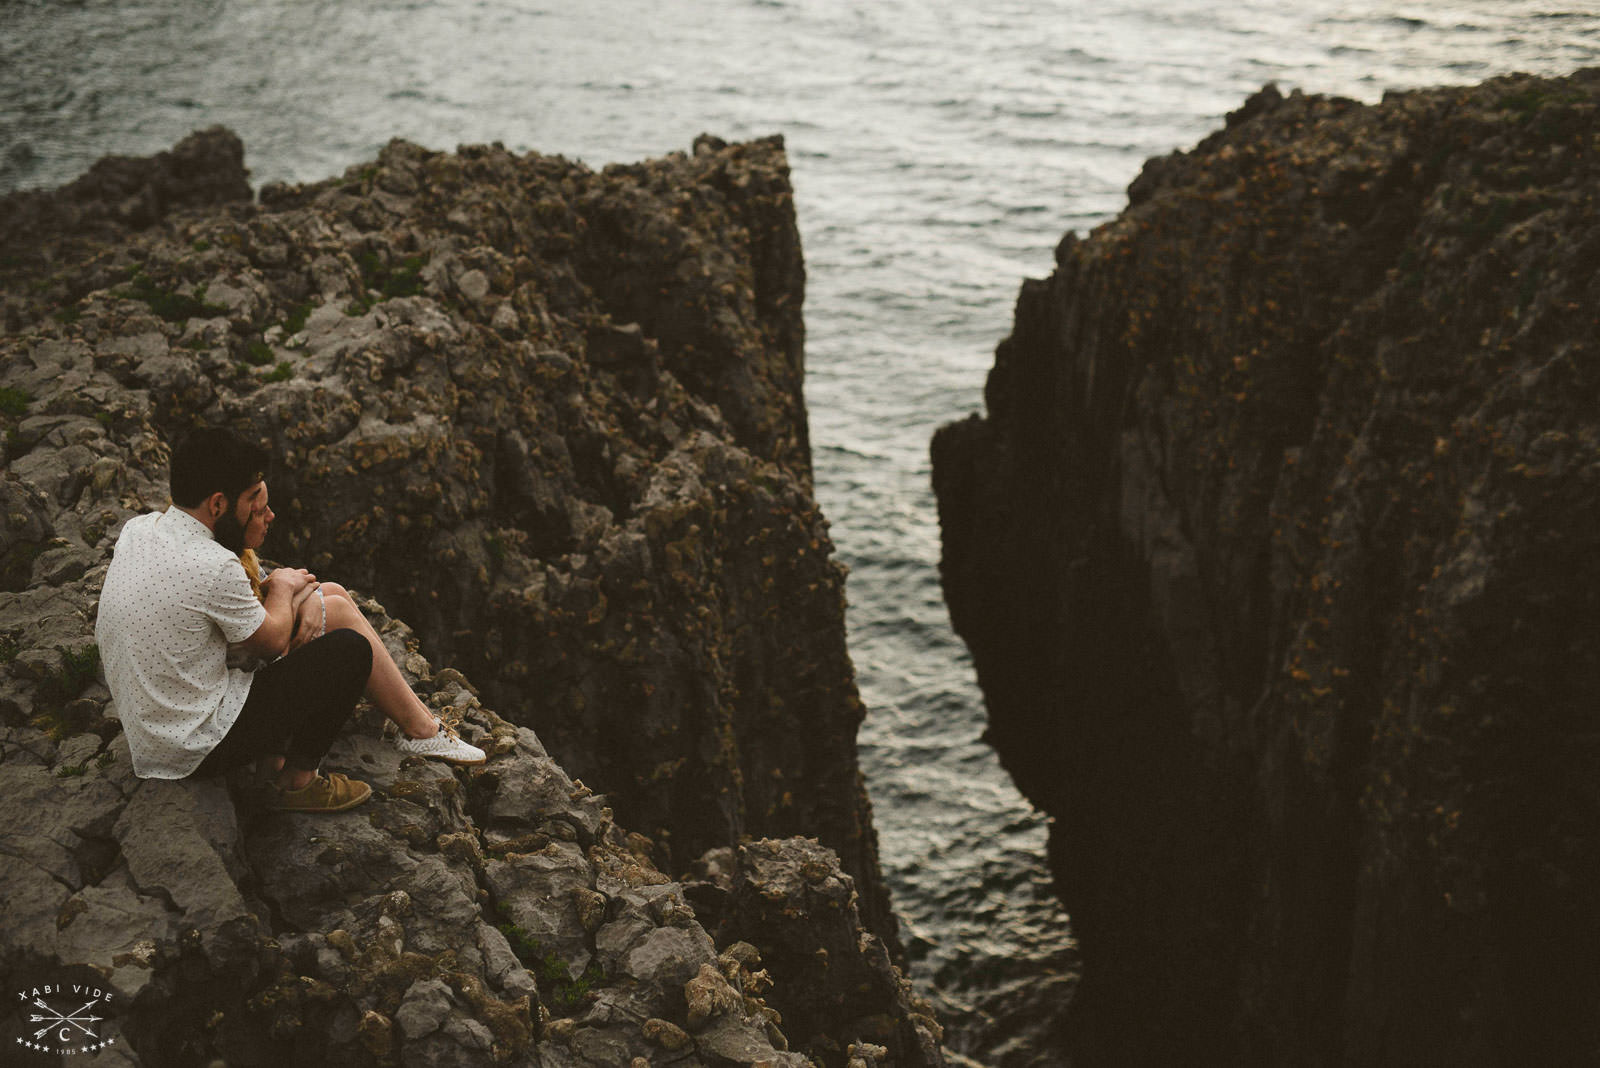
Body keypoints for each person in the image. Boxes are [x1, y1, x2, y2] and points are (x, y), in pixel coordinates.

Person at [94, 427, 482, 814]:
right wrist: (283, 585)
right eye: (255, 505)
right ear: (217, 504)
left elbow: (244, 611)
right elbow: (273, 640)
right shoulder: (213, 566)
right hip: (192, 748)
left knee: (331, 596)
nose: (269, 516)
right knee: (349, 651)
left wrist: (310, 595)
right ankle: (297, 783)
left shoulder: (141, 530)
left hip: (154, 733)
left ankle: (422, 729)